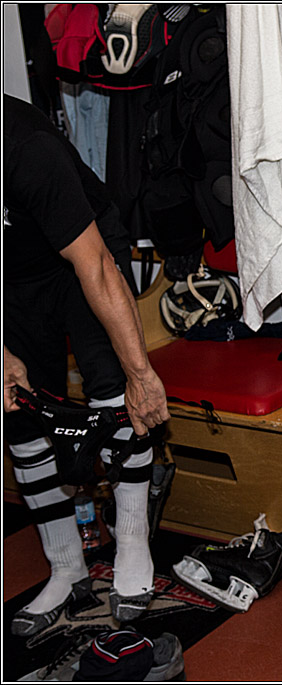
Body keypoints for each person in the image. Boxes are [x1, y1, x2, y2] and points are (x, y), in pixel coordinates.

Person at [3, 94, 170, 634]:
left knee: (114, 394)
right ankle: (66, 566)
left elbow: (95, 266)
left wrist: (141, 376)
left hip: (82, 254)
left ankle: (132, 544)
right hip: (13, 280)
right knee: (17, 411)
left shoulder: (26, 148)